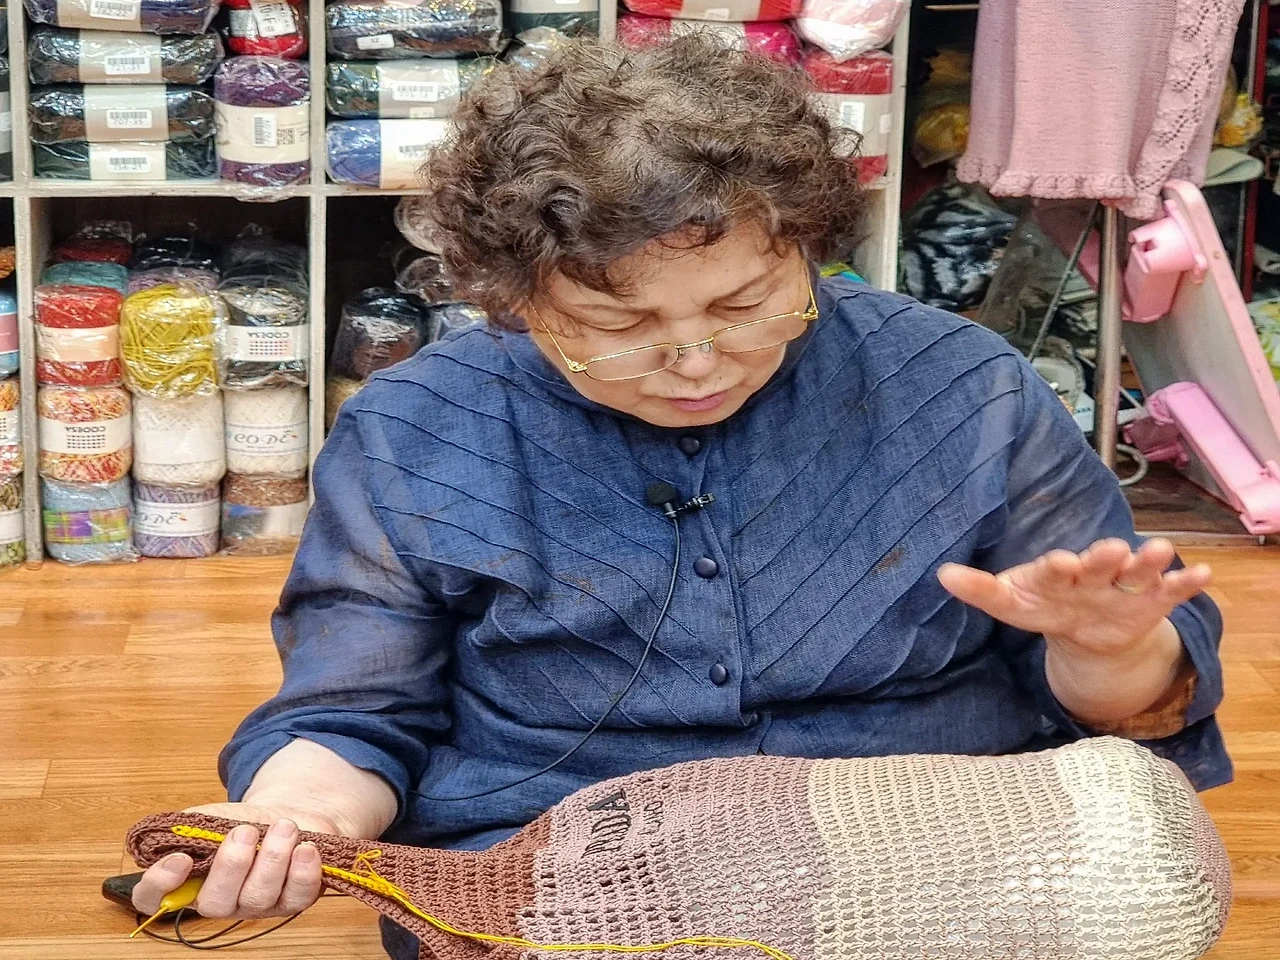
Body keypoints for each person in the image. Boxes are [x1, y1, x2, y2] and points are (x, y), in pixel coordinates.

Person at [133, 36, 1229, 959]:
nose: (697, 362)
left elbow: (1130, 707)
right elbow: (356, 710)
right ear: (511, 300)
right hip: (565, 860)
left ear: (804, 246)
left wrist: (1104, 653)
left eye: (748, 304)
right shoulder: (415, 426)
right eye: (619, 328)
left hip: (934, 850)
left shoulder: (960, 386)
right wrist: (291, 821)